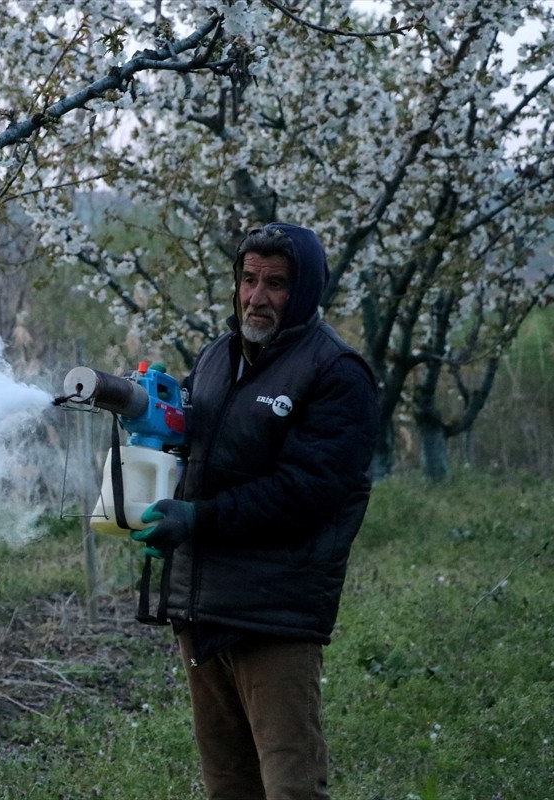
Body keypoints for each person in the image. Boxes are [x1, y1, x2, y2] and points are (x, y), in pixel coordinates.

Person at [131, 222, 379, 800]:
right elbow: (188, 442)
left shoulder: (337, 374)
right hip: (202, 605)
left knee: (290, 787)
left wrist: (197, 519)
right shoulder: (217, 356)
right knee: (229, 787)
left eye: (275, 283)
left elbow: (307, 492)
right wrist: (146, 418)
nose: (256, 296)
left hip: (275, 615)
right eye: (247, 279)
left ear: (306, 291)